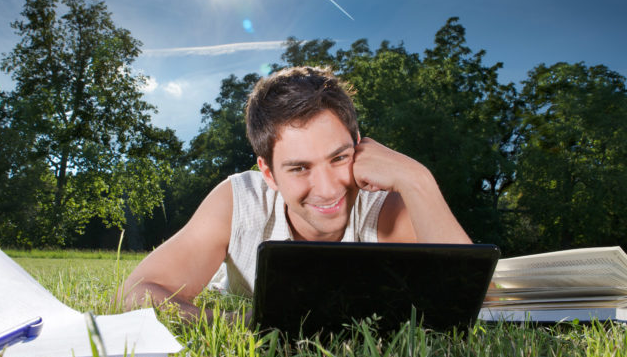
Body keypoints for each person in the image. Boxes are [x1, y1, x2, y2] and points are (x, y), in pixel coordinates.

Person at [118, 66, 471, 320]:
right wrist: (235, 323)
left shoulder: (385, 206)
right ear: (269, 172)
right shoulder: (239, 201)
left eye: (339, 158)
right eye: (300, 168)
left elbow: (472, 296)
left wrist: (417, 179)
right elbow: (135, 293)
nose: (329, 188)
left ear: (359, 147)